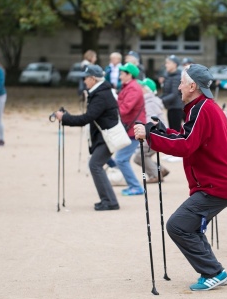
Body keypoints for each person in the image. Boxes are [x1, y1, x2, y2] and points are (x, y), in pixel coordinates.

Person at [133, 64, 227, 291]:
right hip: (215, 183)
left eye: (182, 82)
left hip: (216, 185)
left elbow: (186, 145)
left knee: (178, 225)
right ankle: (214, 270)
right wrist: (161, 131)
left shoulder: (202, 108)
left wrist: (152, 137)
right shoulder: (201, 107)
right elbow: (188, 137)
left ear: (193, 86)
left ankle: (213, 272)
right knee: (187, 225)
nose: (179, 87)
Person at [55, 65, 120, 211]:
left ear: (93, 78)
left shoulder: (101, 94)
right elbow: (90, 116)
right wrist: (68, 116)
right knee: (96, 165)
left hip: (106, 137)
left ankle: (110, 202)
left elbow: (88, 118)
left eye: (85, 78)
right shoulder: (99, 92)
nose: (84, 81)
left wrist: (65, 118)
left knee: (94, 165)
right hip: (103, 136)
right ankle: (109, 200)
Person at [115, 63, 146, 196]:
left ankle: (135, 186)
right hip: (131, 128)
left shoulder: (133, 88)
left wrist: (111, 108)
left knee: (121, 159)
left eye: (122, 73)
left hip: (134, 129)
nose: (120, 75)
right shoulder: (128, 86)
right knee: (122, 159)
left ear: (129, 75)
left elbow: (124, 109)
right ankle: (134, 185)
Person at [132, 78, 169, 183]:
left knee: (139, 156)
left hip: (155, 133)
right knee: (144, 155)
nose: (140, 88)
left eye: (142, 87)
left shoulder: (150, 103)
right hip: (158, 132)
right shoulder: (148, 101)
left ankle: (156, 174)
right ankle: (160, 170)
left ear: (147, 90)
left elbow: (150, 120)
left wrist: (145, 133)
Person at [160, 55, 183, 132]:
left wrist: (161, 100)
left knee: (176, 131)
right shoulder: (168, 76)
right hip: (171, 107)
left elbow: (174, 94)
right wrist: (157, 98)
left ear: (175, 64)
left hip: (176, 108)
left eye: (168, 63)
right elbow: (166, 92)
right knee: (171, 130)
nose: (166, 65)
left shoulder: (177, 77)